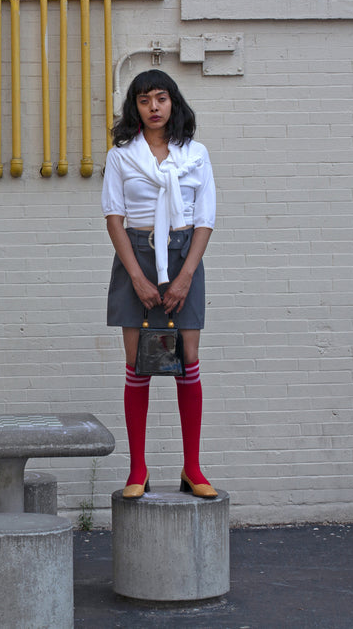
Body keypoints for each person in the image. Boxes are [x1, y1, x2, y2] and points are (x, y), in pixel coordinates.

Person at [101, 69, 218, 500]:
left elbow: (205, 218)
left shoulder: (196, 154)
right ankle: (138, 470)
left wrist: (185, 276)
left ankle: (193, 469)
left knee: (187, 361)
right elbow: (114, 218)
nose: (153, 107)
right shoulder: (121, 156)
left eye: (161, 98)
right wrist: (137, 277)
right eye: (144, 99)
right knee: (138, 366)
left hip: (185, 256)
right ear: (134, 106)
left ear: (173, 103)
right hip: (138, 255)